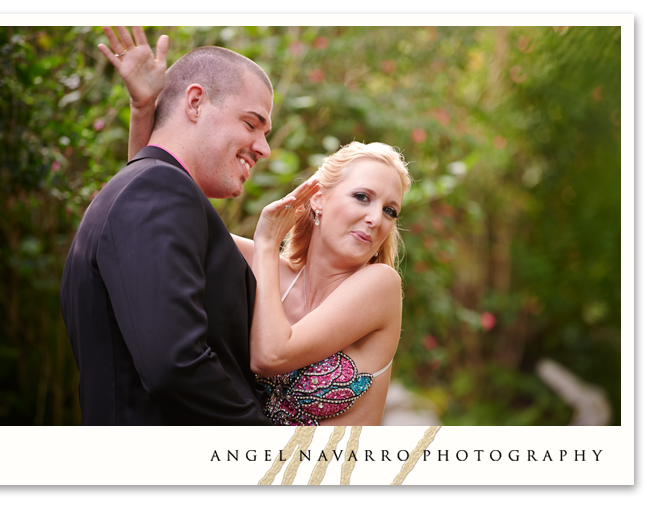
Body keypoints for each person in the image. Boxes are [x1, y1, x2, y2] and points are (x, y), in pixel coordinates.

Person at [111, 27, 413, 426]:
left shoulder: (379, 285)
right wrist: (143, 107)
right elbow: (156, 212)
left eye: (391, 211)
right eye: (363, 197)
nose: (377, 219)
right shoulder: (269, 271)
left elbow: (271, 357)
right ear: (318, 199)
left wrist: (268, 244)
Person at [60, 26, 275, 425]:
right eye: (251, 124)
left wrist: (144, 113)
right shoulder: (158, 191)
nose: (263, 148)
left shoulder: (146, 188)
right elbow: (175, 365)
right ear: (195, 103)